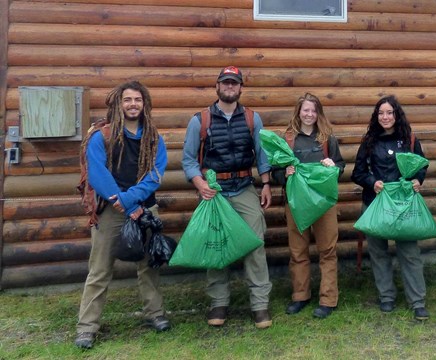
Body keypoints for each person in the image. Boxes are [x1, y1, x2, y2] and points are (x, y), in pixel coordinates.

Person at [75, 81, 170, 349]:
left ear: (145, 103)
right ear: (119, 103)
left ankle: (155, 314)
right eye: (127, 99)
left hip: (145, 209)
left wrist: (132, 200)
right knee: (100, 269)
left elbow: (155, 175)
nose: (132, 104)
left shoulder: (153, 137)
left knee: (148, 266)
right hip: (111, 212)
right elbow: (97, 174)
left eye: (137, 100)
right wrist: (127, 206)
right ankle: (87, 327)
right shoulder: (101, 136)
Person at [182, 65, 273, 328]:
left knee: (255, 245)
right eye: (226, 83)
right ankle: (218, 302)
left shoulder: (252, 119)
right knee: (216, 247)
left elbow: (262, 154)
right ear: (218, 86)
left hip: (244, 187)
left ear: (241, 88)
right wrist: (199, 183)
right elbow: (188, 159)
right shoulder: (200, 120)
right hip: (214, 192)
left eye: (234, 83)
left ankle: (260, 304)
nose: (230, 87)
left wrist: (265, 184)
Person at [351, 95, 430, 321]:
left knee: (409, 252)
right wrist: (371, 183)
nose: (385, 117)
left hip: (403, 206)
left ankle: (417, 301)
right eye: (381, 113)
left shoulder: (410, 140)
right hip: (375, 204)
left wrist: (418, 180)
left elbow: (421, 166)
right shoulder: (369, 142)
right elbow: (357, 173)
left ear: (397, 115)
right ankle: (386, 296)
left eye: (389, 113)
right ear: (377, 117)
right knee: (378, 252)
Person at [271, 93, 345, 319]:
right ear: (298, 111)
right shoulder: (288, 139)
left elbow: (340, 166)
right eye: (306, 110)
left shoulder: (327, 138)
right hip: (296, 204)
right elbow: (274, 171)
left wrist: (333, 166)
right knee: (298, 251)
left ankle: (328, 299)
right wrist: (285, 173)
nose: (309, 114)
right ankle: (300, 295)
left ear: (318, 113)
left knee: (328, 250)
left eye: (313, 110)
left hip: (323, 203)